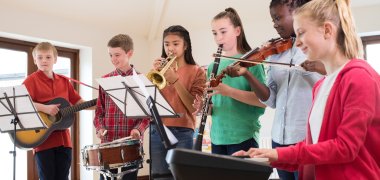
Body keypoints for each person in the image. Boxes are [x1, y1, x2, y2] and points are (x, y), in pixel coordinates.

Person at [233, 0, 380, 179]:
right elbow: (314, 144)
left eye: (301, 33)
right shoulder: (320, 86)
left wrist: (278, 155)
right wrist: (267, 156)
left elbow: (345, 148)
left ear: (327, 30)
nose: (298, 42)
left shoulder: (359, 77)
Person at [224, 1, 323, 179]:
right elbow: (272, 99)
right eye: (273, 20)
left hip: (305, 137)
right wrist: (247, 74)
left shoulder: (315, 47)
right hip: (279, 139)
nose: (275, 24)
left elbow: (333, 77)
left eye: (278, 17)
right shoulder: (276, 52)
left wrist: (314, 67)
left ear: (297, 13)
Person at [193, 7, 266, 156]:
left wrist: (229, 91)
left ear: (237, 31)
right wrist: (203, 108)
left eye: (223, 31)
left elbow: (263, 101)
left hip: (244, 137)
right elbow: (215, 108)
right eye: (214, 33)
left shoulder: (252, 63)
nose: (218, 38)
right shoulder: (213, 66)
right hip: (217, 138)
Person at [23, 42, 87, 180]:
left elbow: (79, 102)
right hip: (42, 140)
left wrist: (99, 103)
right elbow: (21, 104)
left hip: (64, 141)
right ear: (34, 60)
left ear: (55, 59)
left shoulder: (64, 81)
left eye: (48, 57)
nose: (44, 60)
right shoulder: (31, 81)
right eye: (39, 57)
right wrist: (45, 108)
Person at [149, 25, 206, 179]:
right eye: (166, 44)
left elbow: (193, 107)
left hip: (183, 131)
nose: (170, 48)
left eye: (175, 44)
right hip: (157, 130)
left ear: (185, 46)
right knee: (159, 177)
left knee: (183, 176)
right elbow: (149, 101)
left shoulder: (197, 71)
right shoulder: (158, 70)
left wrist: (175, 80)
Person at [93, 34, 150, 180]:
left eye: (117, 55)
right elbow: (99, 112)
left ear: (129, 53)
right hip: (108, 143)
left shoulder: (142, 81)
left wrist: (138, 129)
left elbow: (148, 115)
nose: (113, 59)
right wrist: (99, 128)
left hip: (132, 143)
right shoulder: (105, 80)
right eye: (110, 55)